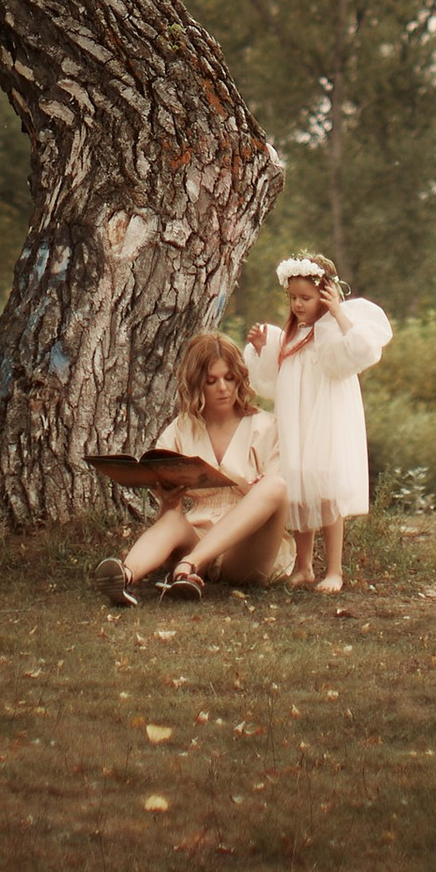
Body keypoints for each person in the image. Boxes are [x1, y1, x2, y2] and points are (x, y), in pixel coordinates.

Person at [94, 329, 293, 608]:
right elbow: (170, 517)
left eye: (229, 378)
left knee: (275, 486)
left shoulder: (266, 426)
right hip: (197, 534)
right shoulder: (182, 428)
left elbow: (279, 495)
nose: (223, 388)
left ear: (240, 378)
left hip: (245, 550)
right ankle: (125, 575)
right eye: (211, 381)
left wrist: (258, 486)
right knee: (174, 520)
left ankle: (189, 566)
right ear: (197, 383)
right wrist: (168, 502)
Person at [243, 253, 392, 595]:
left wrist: (338, 311)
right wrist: (262, 347)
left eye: (306, 298)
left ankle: (335, 569)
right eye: (293, 297)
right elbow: (270, 380)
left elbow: (361, 353)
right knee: (298, 483)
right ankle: (304, 564)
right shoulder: (292, 337)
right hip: (297, 419)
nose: (298, 304)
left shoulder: (333, 332)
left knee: (326, 488)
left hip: (326, 419)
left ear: (325, 294)